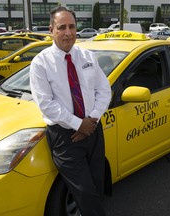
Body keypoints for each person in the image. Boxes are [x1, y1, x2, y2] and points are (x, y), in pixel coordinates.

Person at [30, 6, 111, 216]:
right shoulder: (40, 63)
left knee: (96, 183)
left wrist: (90, 121)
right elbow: (46, 104)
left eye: (72, 26)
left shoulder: (87, 56)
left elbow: (104, 90)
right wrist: (78, 124)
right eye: (62, 27)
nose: (68, 32)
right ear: (51, 30)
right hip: (65, 136)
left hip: (93, 129)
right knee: (85, 191)